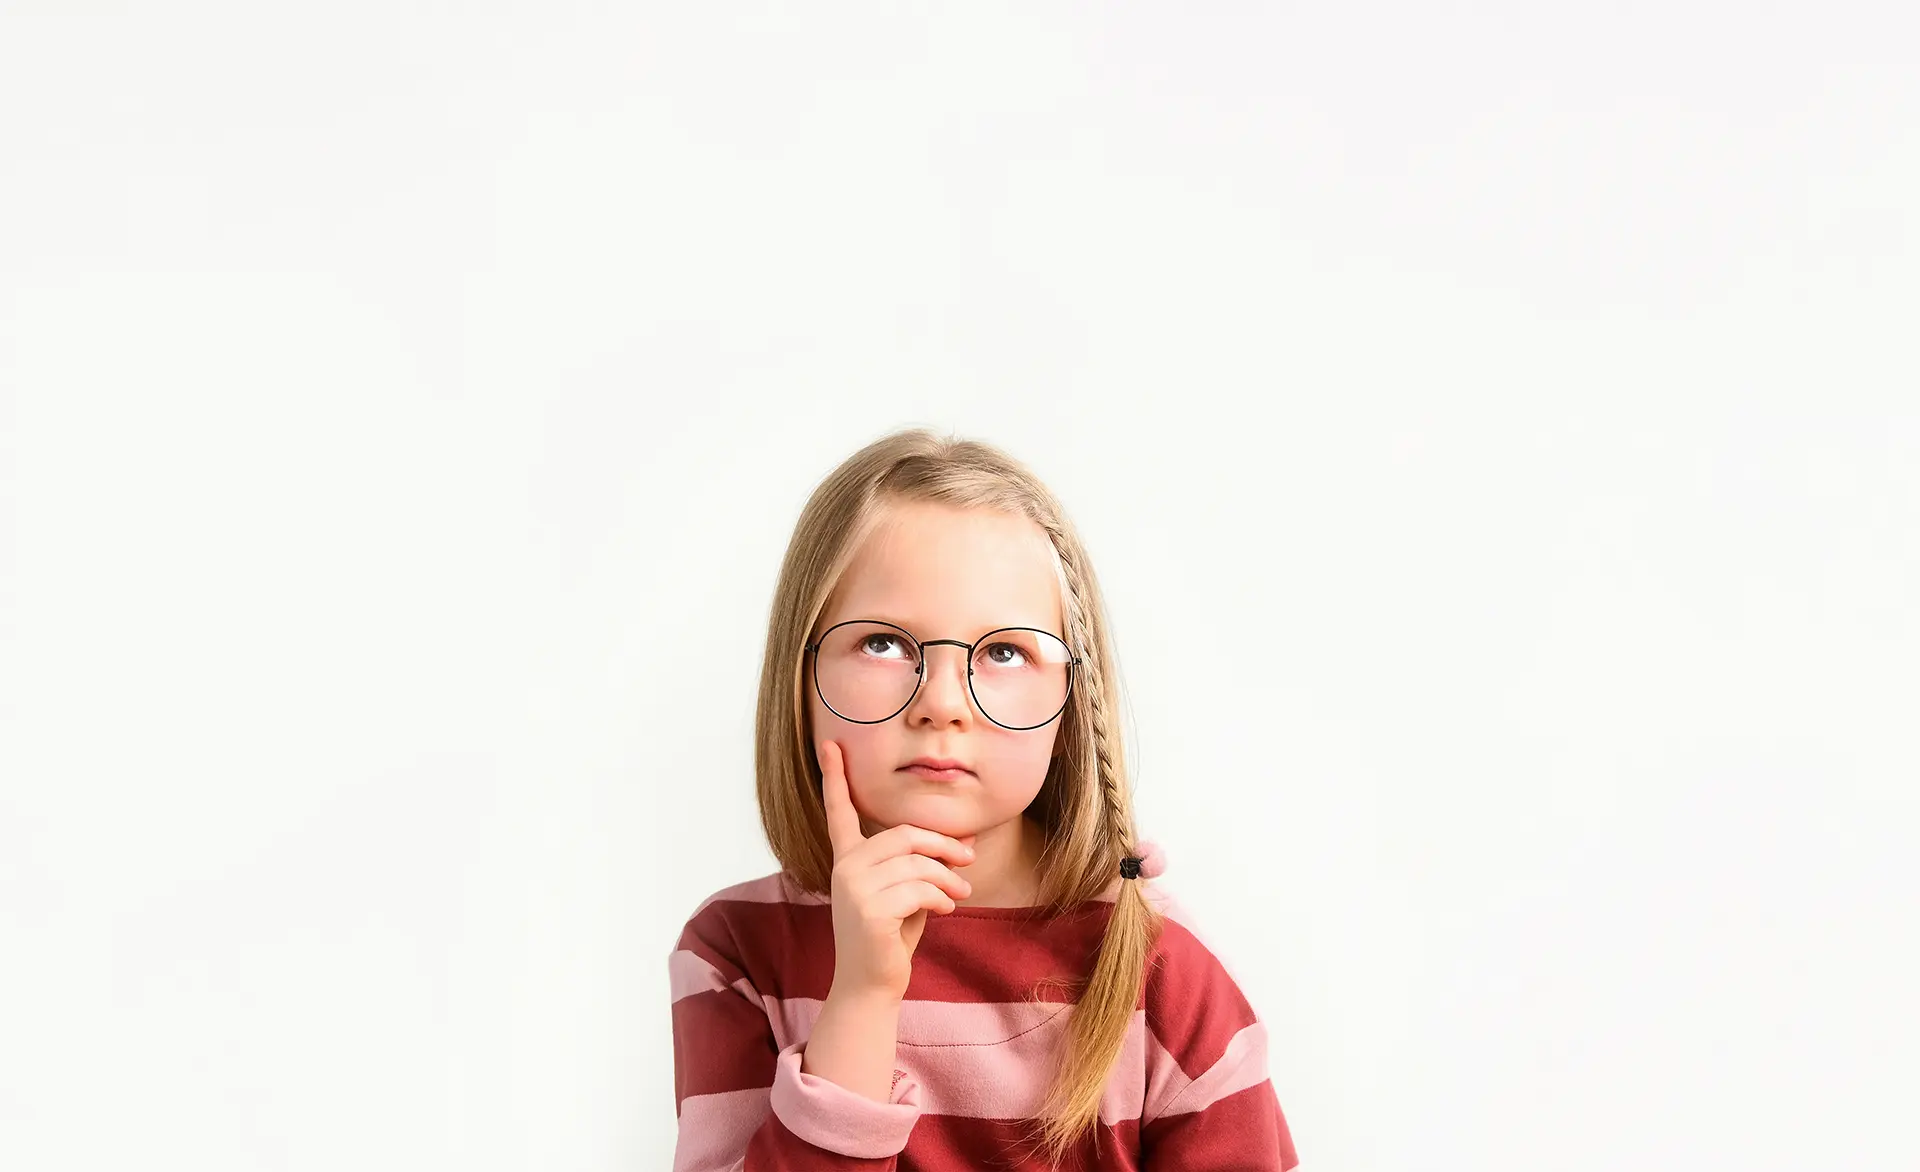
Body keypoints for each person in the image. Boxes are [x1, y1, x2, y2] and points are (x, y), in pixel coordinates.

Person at [667, 427, 1300, 1169]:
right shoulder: (736, 954)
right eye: (884, 643)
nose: (942, 702)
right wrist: (863, 999)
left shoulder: (1157, 965)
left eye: (1003, 652)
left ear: (1072, 704)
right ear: (799, 682)